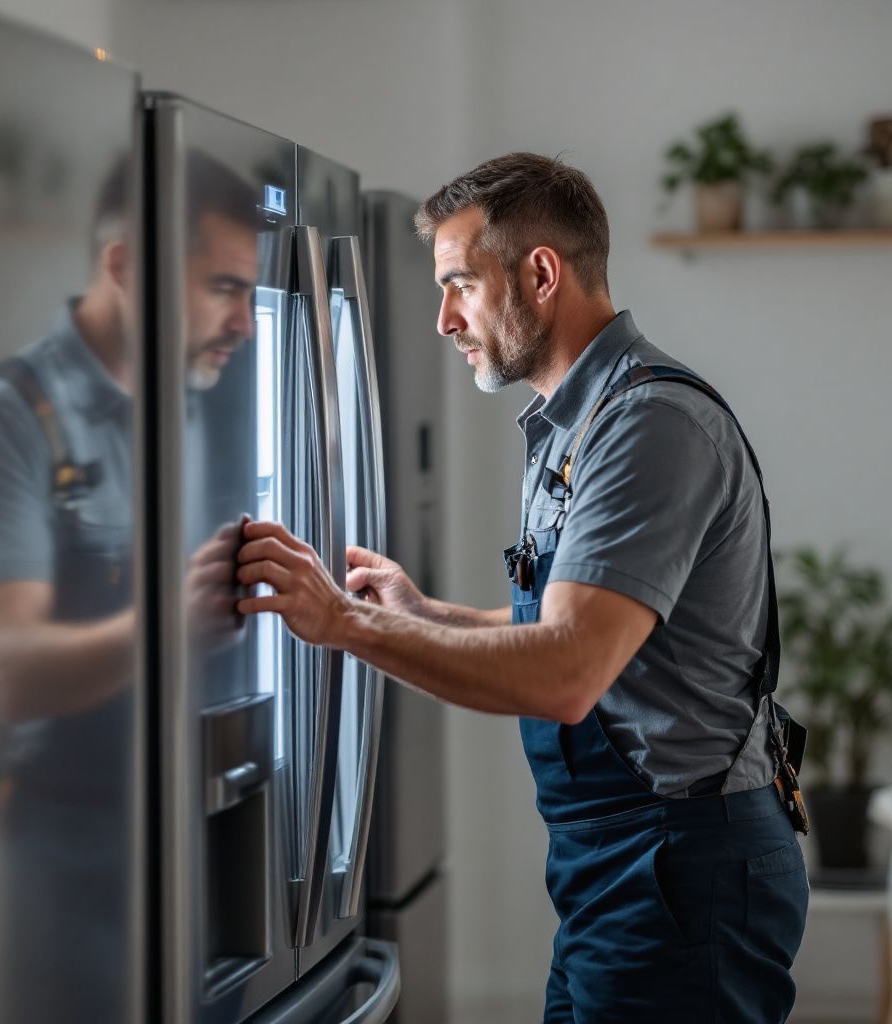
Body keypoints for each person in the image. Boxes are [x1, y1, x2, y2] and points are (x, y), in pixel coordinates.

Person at [236, 152, 809, 1023]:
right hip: (622, 870)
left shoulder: (647, 425)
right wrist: (428, 615)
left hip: (681, 870)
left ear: (541, 274)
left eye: (460, 284)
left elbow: (566, 672)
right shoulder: (581, 423)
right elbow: (589, 629)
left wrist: (341, 622)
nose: (443, 320)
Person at [0, 149, 261, 1023]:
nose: (246, 323)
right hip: (70, 851)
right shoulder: (9, 416)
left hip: (187, 823)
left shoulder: (184, 395)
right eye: (225, 288)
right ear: (126, 267)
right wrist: (173, 624)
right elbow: (10, 669)